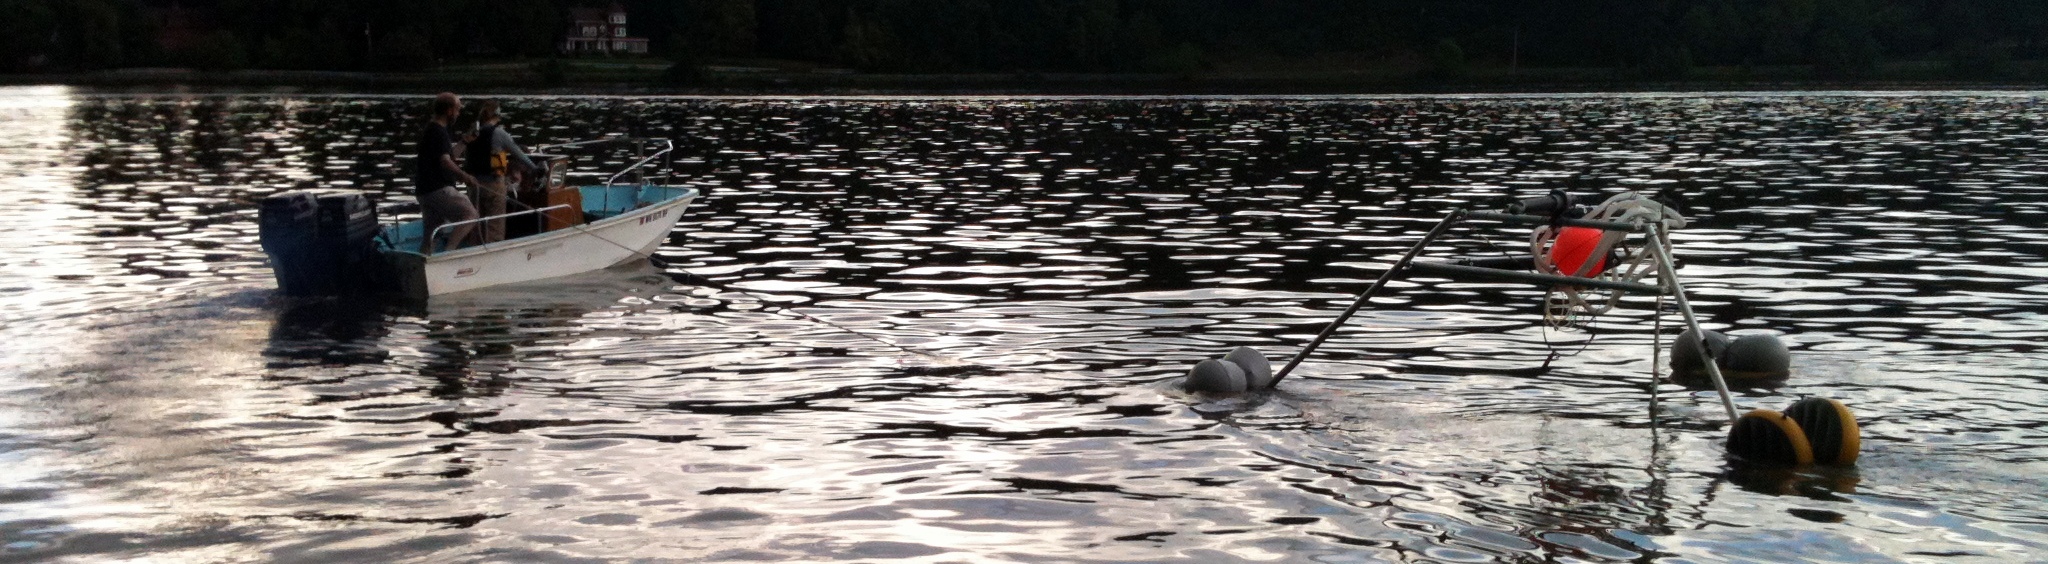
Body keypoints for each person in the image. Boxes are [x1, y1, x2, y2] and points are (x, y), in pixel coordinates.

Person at [461, 100, 538, 243]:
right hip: (494, 186)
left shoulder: (472, 133)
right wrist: (535, 168)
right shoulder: (499, 134)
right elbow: (519, 154)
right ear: (498, 115)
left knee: (477, 225)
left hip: (474, 187)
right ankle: (493, 253)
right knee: (495, 227)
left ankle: (475, 249)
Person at [415, 92, 482, 253]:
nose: (458, 114)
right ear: (449, 110)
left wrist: (465, 141)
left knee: (431, 234)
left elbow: (448, 155)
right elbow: (445, 161)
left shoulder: (433, 129)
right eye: (458, 109)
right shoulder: (438, 131)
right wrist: (464, 176)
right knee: (470, 214)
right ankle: (449, 252)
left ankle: (424, 263)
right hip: (439, 188)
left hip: (425, 191)